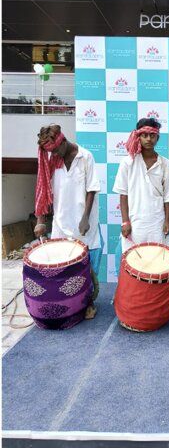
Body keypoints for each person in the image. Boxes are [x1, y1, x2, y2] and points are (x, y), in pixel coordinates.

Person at [34, 124, 102, 319]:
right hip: (61, 224)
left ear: (63, 141)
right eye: (51, 151)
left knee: (88, 268)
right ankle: (66, 305)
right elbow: (43, 190)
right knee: (62, 271)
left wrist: (85, 218)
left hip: (84, 224)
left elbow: (91, 189)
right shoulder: (52, 161)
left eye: (56, 150)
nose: (54, 154)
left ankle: (88, 303)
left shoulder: (85, 156)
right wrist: (40, 220)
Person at [113, 118, 169, 268]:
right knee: (130, 262)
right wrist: (125, 221)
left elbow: (168, 196)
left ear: (157, 137)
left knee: (157, 262)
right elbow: (123, 194)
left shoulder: (164, 163)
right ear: (138, 137)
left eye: (152, 135)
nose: (148, 139)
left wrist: (167, 221)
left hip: (157, 222)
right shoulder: (128, 162)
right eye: (144, 135)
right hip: (135, 221)